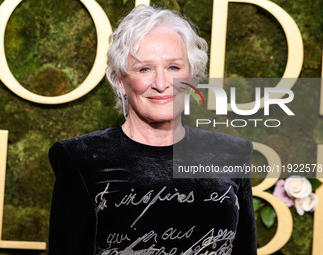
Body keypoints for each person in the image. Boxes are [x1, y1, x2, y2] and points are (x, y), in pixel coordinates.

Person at [48, 5, 257, 255]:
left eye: (174, 68)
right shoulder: (80, 158)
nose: (161, 84)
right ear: (120, 81)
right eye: (144, 69)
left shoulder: (232, 154)